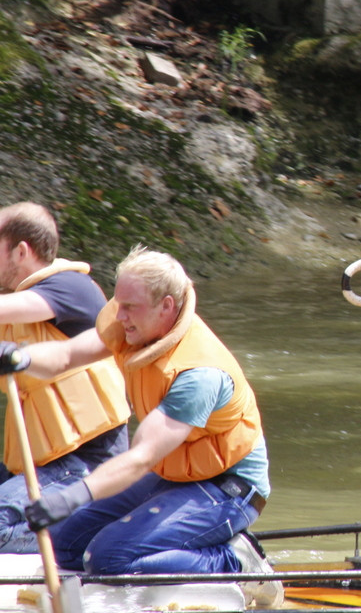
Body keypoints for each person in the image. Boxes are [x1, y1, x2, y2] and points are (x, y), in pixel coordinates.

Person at [0, 245, 282, 607]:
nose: (120, 315)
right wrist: (19, 356)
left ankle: (236, 561)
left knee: (109, 558)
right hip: (176, 469)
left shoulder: (199, 375)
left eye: (130, 307)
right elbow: (65, 357)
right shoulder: (132, 326)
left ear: (166, 306)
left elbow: (141, 457)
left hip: (229, 487)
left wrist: (70, 496)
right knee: (65, 545)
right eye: (118, 302)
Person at [0, 202, 130, 554]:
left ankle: (102, 541)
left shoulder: (72, 288)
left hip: (86, 460)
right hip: (45, 459)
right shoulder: (21, 304)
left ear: (21, 250)